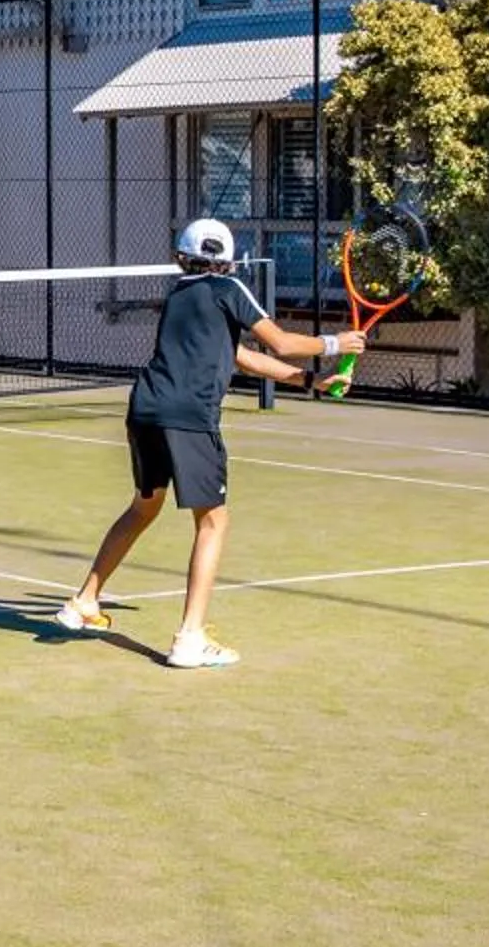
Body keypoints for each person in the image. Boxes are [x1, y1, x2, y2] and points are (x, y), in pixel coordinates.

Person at [53, 217, 359, 669]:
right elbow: (281, 343)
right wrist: (335, 342)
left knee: (143, 508)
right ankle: (190, 638)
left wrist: (309, 381)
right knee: (213, 522)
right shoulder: (230, 290)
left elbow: (242, 357)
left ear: (183, 258)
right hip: (189, 417)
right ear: (229, 261)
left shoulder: (179, 296)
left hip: (146, 410)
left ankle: (84, 602)